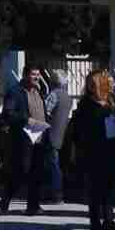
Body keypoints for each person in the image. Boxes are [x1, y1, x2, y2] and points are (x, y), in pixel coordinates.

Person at [72, 70, 115, 230]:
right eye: (91, 83)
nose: (109, 83)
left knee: (110, 187)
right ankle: (95, 223)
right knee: (96, 188)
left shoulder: (112, 99)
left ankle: (109, 220)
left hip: (113, 147)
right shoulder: (86, 104)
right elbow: (80, 129)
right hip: (94, 151)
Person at [0, 65, 49, 215]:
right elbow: (8, 113)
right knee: (21, 171)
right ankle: (7, 196)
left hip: (39, 137)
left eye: (38, 74)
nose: (37, 77)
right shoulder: (15, 92)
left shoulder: (39, 91)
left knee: (37, 172)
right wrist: (26, 119)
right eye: (34, 74)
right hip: (23, 138)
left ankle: (33, 206)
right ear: (25, 75)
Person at [44, 69, 72, 205]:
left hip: (51, 133)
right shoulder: (68, 97)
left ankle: (56, 194)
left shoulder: (53, 95)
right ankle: (57, 193)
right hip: (62, 134)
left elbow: (45, 112)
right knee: (57, 164)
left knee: (53, 165)